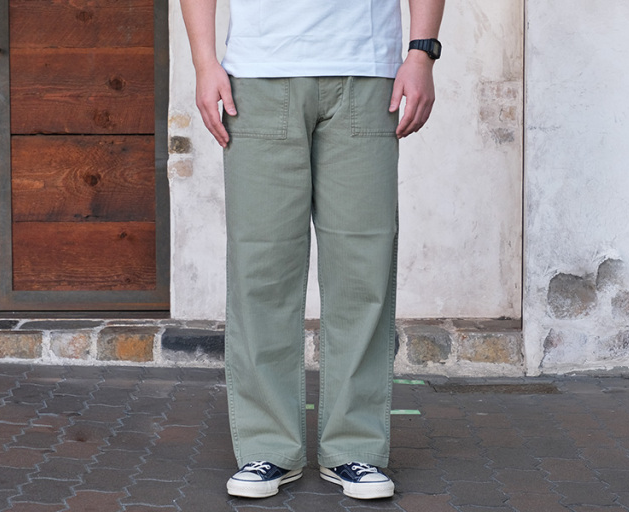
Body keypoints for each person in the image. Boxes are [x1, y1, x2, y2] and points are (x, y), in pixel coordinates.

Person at [179, 0, 445, 500]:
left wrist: (422, 53)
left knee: (363, 270)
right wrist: (203, 61)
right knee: (261, 266)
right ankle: (267, 447)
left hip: (367, 72)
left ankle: (355, 448)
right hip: (258, 75)